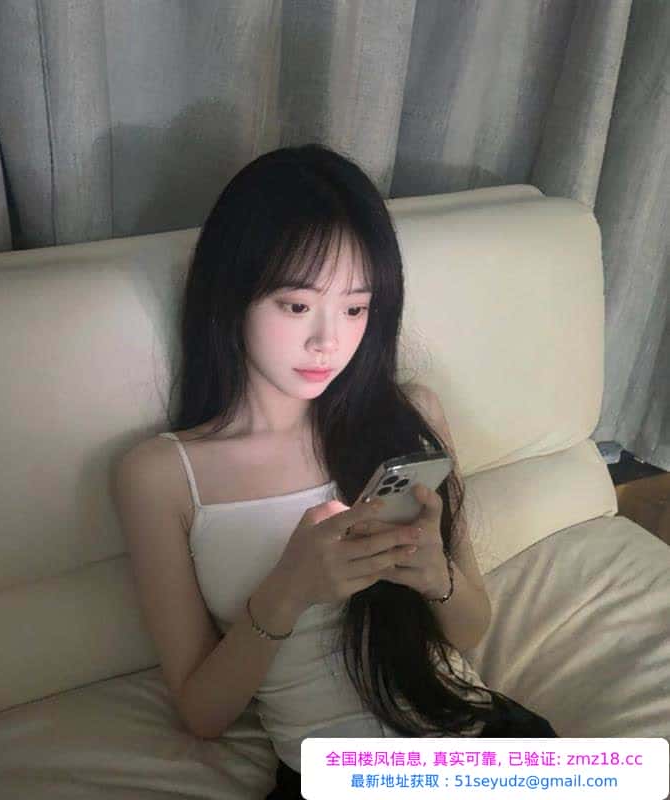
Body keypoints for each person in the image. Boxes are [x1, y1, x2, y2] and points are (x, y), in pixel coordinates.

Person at [113, 143, 558, 800]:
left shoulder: (410, 415)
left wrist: (435, 576)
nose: (329, 341)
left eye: (354, 308)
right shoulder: (160, 475)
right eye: (296, 306)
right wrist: (289, 590)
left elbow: (468, 631)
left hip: (481, 748)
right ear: (230, 296)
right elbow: (202, 714)